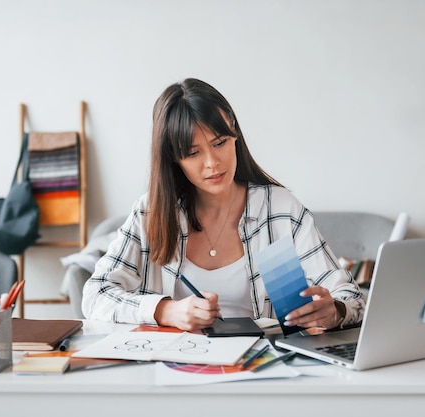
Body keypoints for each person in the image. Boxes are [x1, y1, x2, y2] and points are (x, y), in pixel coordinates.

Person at [82, 78, 365, 331]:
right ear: (173, 159)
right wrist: (166, 310)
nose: (212, 163)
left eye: (219, 143)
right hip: (174, 368)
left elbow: (350, 298)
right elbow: (95, 295)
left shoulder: (279, 210)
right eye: (193, 153)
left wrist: (334, 311)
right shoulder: (151, 213)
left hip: (263, 369)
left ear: (234, 134)